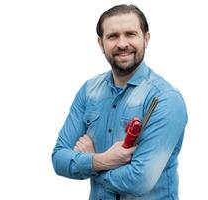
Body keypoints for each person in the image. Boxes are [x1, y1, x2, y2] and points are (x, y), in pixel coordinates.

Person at [52, 4, 188, 200]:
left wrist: (91, 163)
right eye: (113, 36)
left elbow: (139, 180)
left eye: (130, 34)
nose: (122, 44)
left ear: (146, 38)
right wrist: (103, 160)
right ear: (101, 43)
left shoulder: (164, 99)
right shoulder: (89, 91)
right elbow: (58, 159)